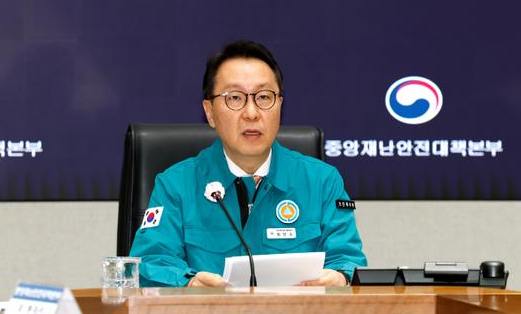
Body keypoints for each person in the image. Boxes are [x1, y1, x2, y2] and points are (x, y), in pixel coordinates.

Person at [129, 41, 366, 287]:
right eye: (235, 98)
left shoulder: (322, 182)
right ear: (210, 112)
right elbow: (151, 264)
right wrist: (189, 284)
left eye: (264, 97)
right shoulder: (175, 185)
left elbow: (347, 260)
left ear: (280, 105)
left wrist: (340, 278)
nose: (251, 113)